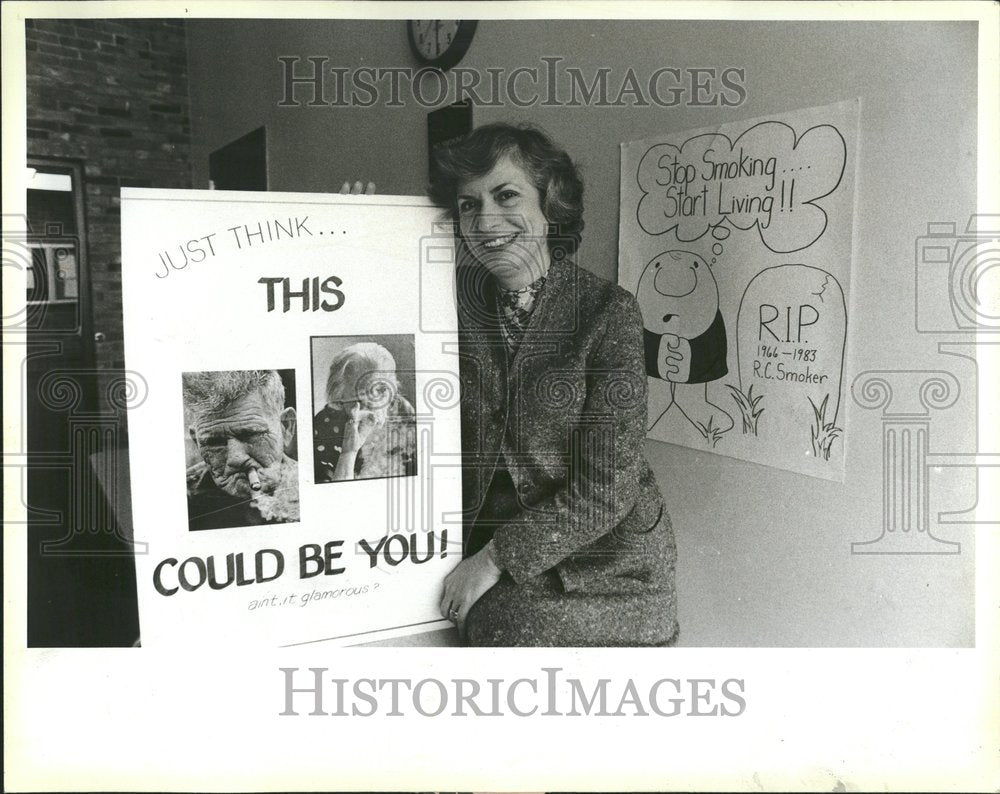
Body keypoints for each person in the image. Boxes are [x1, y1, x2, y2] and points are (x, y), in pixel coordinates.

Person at [428, 123, 679, 646]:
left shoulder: (608, 312)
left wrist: (494, 559)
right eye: (469, 205)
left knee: (504, 632)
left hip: (607, 564)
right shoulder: (443, 301)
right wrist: (350, 228)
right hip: (482, 545)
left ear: (551, 205)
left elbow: (608, 488)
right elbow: (364, 297)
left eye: (506, 195)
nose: (485, 220)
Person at [184, 369, 299, 530]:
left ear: (286, 427)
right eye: (215, 442)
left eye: (250, 434)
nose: (235, 459)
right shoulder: (178, 498)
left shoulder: (312, 488)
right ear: (197, 442)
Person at [312, 342, 417, 483]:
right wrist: (349, 452)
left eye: (381, 389)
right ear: (339, 396)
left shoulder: (402, 409)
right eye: (362, 394)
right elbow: (333, 496)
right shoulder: (322, 426)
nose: (375, 402)